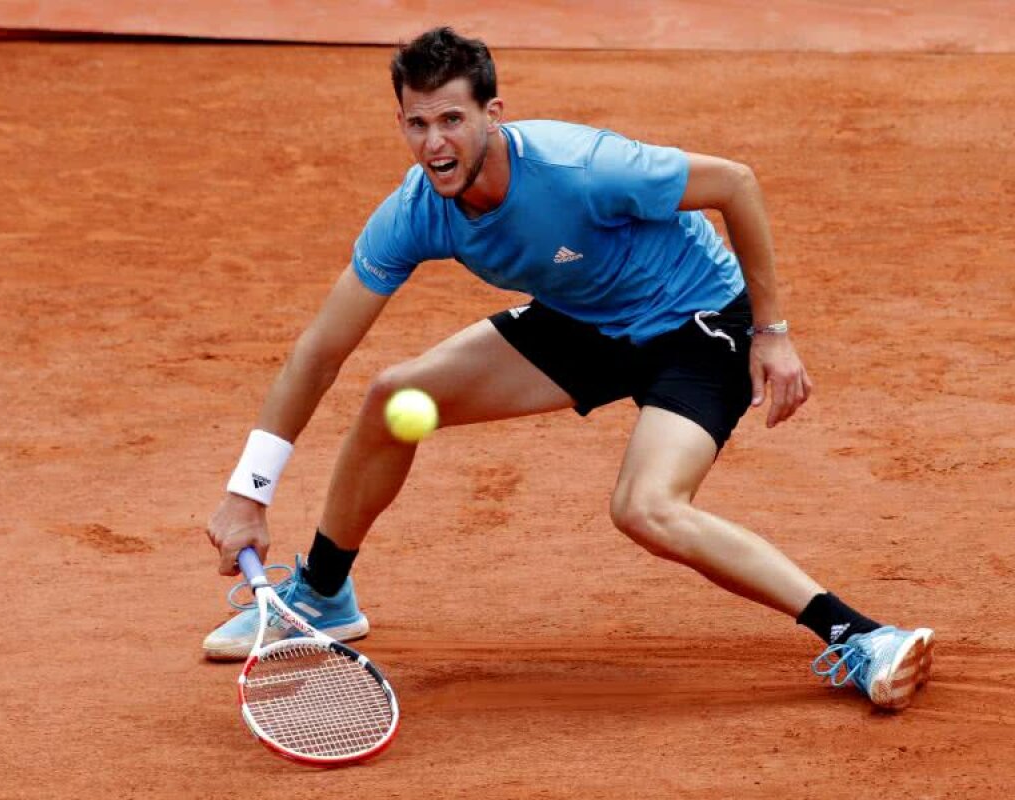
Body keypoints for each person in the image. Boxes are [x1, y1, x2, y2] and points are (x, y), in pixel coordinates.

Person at [204, 26, 934, 710]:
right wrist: (250, 492)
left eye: (452, 120)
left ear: (493, 112)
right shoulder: (416, 210)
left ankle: (860, 636)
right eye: (417, 123)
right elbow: (319, 352)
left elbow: (735, 183)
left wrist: (772, 333)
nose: (434, 144)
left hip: (696, 324)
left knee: (645, 508)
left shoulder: (579, 168)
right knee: (397, 394)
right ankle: (324, 596)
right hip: (585, 319)